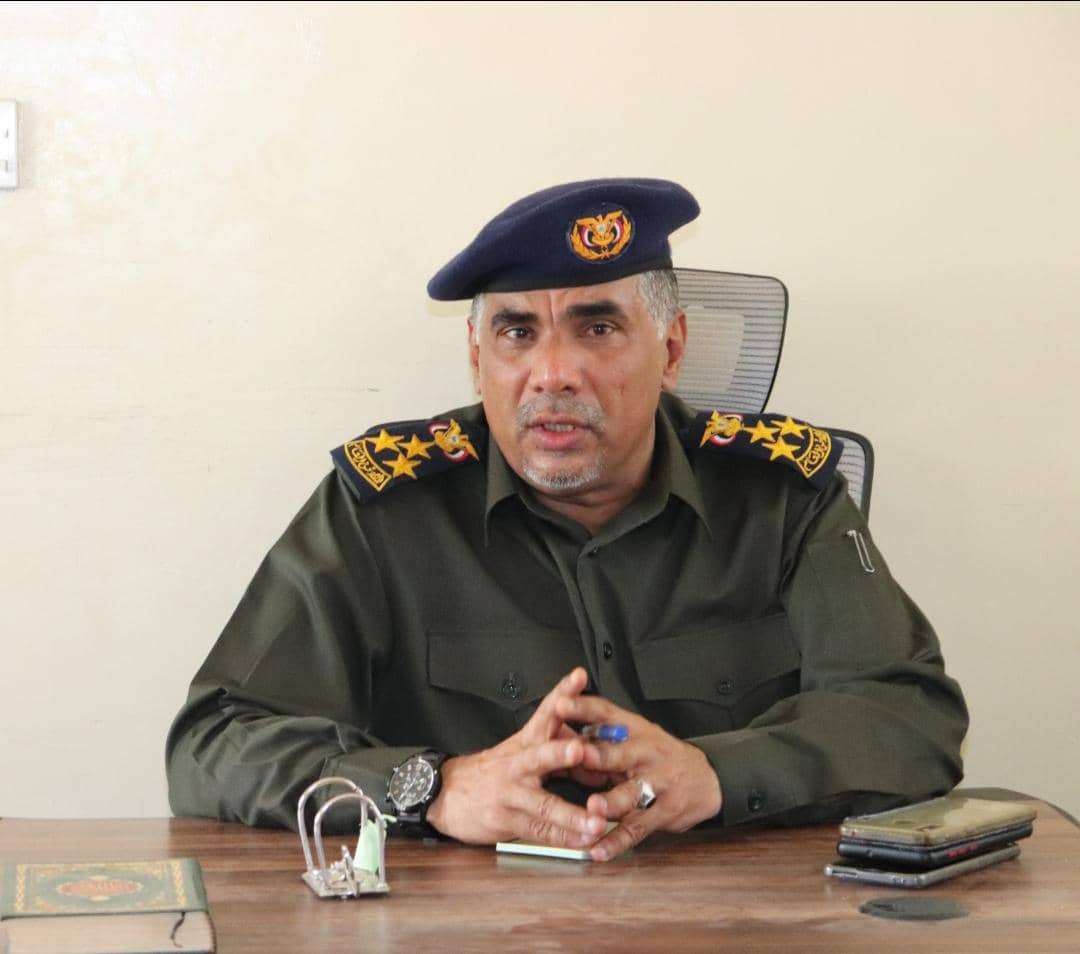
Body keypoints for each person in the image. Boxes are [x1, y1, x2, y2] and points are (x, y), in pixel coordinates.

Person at [165, 178, 968, 863]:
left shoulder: (781, 498)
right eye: (518, 332)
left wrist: (717, 775)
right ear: (477, 359)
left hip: (736, 920)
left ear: (672, 348)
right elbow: (213, 744)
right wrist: (435, 788)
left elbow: (910, 718)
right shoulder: (385, 509)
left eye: (598, 328)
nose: (552, 374)